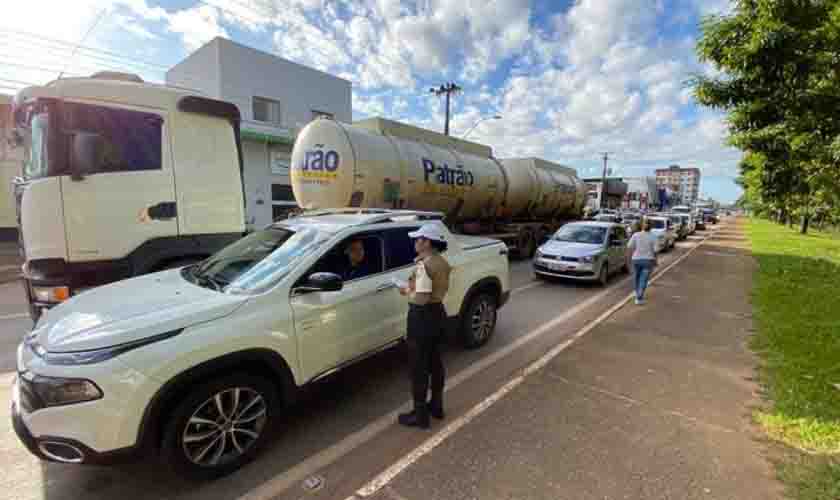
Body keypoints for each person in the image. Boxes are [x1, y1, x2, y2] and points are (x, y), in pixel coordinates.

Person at [397, 224, 452, 429]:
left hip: (422, 317)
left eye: (418, 239)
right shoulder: (442, 262)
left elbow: (420, 299)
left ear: (427, 242)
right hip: (438, 313)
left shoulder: (424, 265)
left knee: (419, 367)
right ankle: (436, 406)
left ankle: (420, 416)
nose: (415, 242)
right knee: (435, 363)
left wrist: (405, 291)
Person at [626, 218, 658, 305]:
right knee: (643, 279)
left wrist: (628, 260)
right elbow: (655, 251)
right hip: (648, 261)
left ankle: (637, 294)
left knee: (636, 277)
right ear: (651, 227)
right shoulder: (653, 237)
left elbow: (629, 247)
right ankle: (639, 297)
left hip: (636, 260)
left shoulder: (636, 235)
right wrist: (656, 261)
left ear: (642, 226)